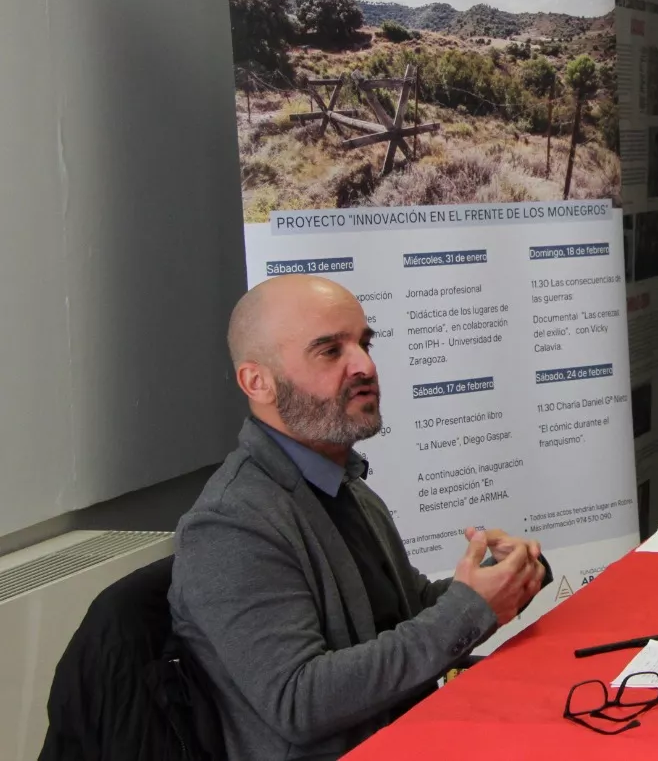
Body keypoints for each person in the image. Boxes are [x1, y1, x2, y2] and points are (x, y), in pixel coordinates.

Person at [170, 275, 549, 760]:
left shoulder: (342, 481)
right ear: (256, 381)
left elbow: (406, 611)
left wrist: (502, 579)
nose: (365, 365)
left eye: (364, 344)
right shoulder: (230, 524)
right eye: (330, 351)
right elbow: (299, 700)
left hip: (411, 731)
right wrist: (472, 609)